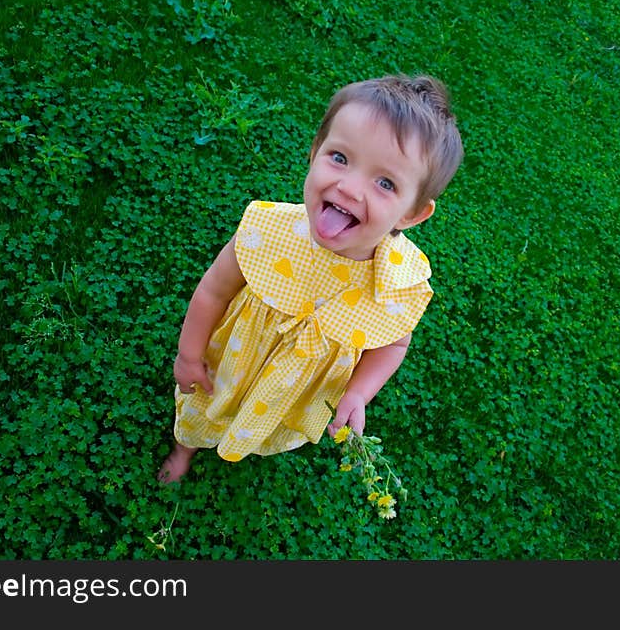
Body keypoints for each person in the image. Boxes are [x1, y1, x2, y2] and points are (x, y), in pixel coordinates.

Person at [158, 73, 464, 483]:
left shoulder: (398, 284)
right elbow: (214, 290)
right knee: (205, 406)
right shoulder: (268, 232)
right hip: (231, 362)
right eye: (339, 157)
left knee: (265, 423)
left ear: (411, 215)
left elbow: (395, 343)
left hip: (295, 390)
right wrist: (189, 356)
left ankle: (248, 435)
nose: (350, 187)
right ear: (314, 151)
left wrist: (357, 392)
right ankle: (185, 447)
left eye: (385, 183)